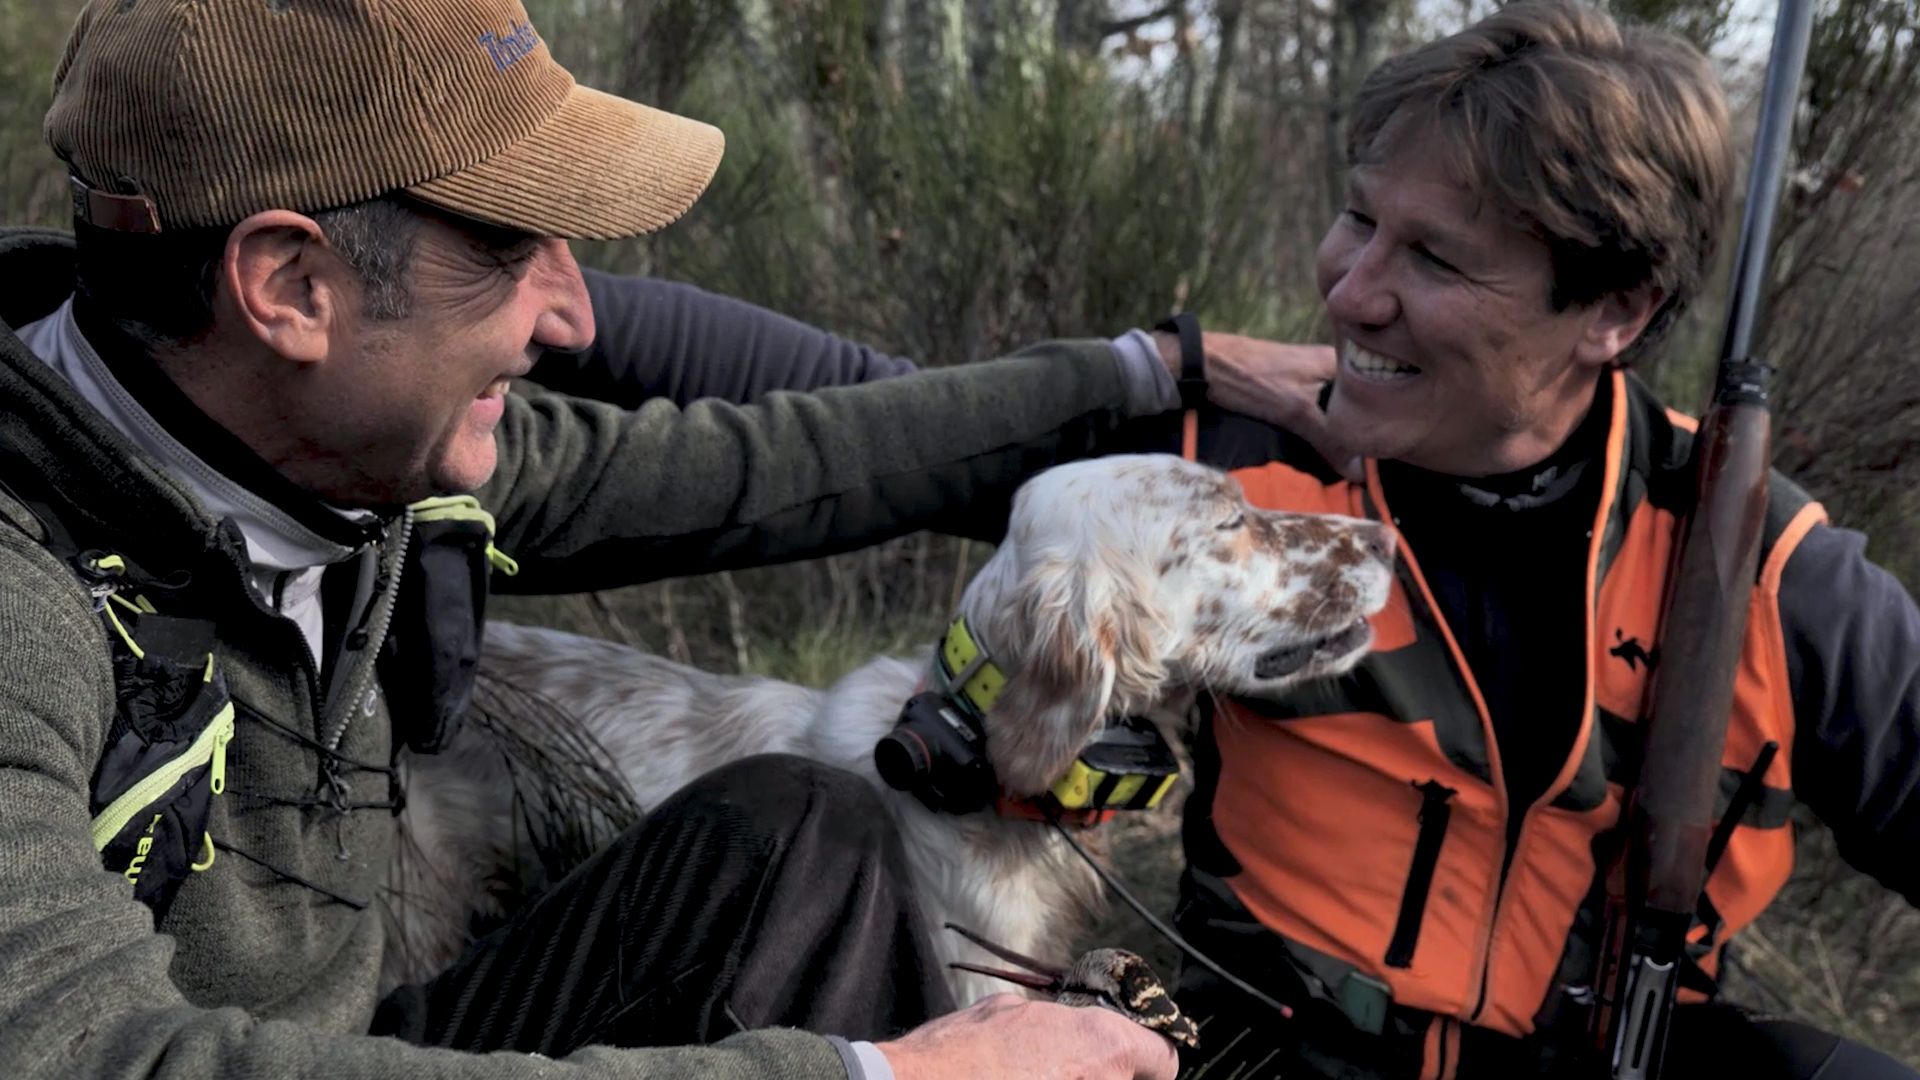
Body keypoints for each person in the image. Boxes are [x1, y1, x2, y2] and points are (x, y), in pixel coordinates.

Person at [0, 1, 1311, 1079]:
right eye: (515, 243)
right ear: (290, 287)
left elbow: (780, 464)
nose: (574, 317)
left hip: (361, 1044)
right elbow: (105, 1062)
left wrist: (1151, 369)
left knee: (806, 825)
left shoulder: (353, 454)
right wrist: (878, 1077)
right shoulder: (26, 596)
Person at [1138, 4, 1920, 1078]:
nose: (1352, 293)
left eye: (1437, 261)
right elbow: (855, 420)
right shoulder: (1226, 457)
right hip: (1267, 1054)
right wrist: (1138, 365)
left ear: (1615, 312)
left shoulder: (1768, 571)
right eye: (1358, 219)